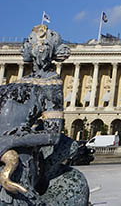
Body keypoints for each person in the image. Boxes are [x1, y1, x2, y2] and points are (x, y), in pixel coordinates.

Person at [0, 25, 89, 205]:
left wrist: (9, 141)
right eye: (34, 43)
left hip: (18, 157)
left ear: (54, 52)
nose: (39, 48)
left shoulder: (52, 85)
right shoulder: (21, 81)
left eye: (45, 45)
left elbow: (52, 135)